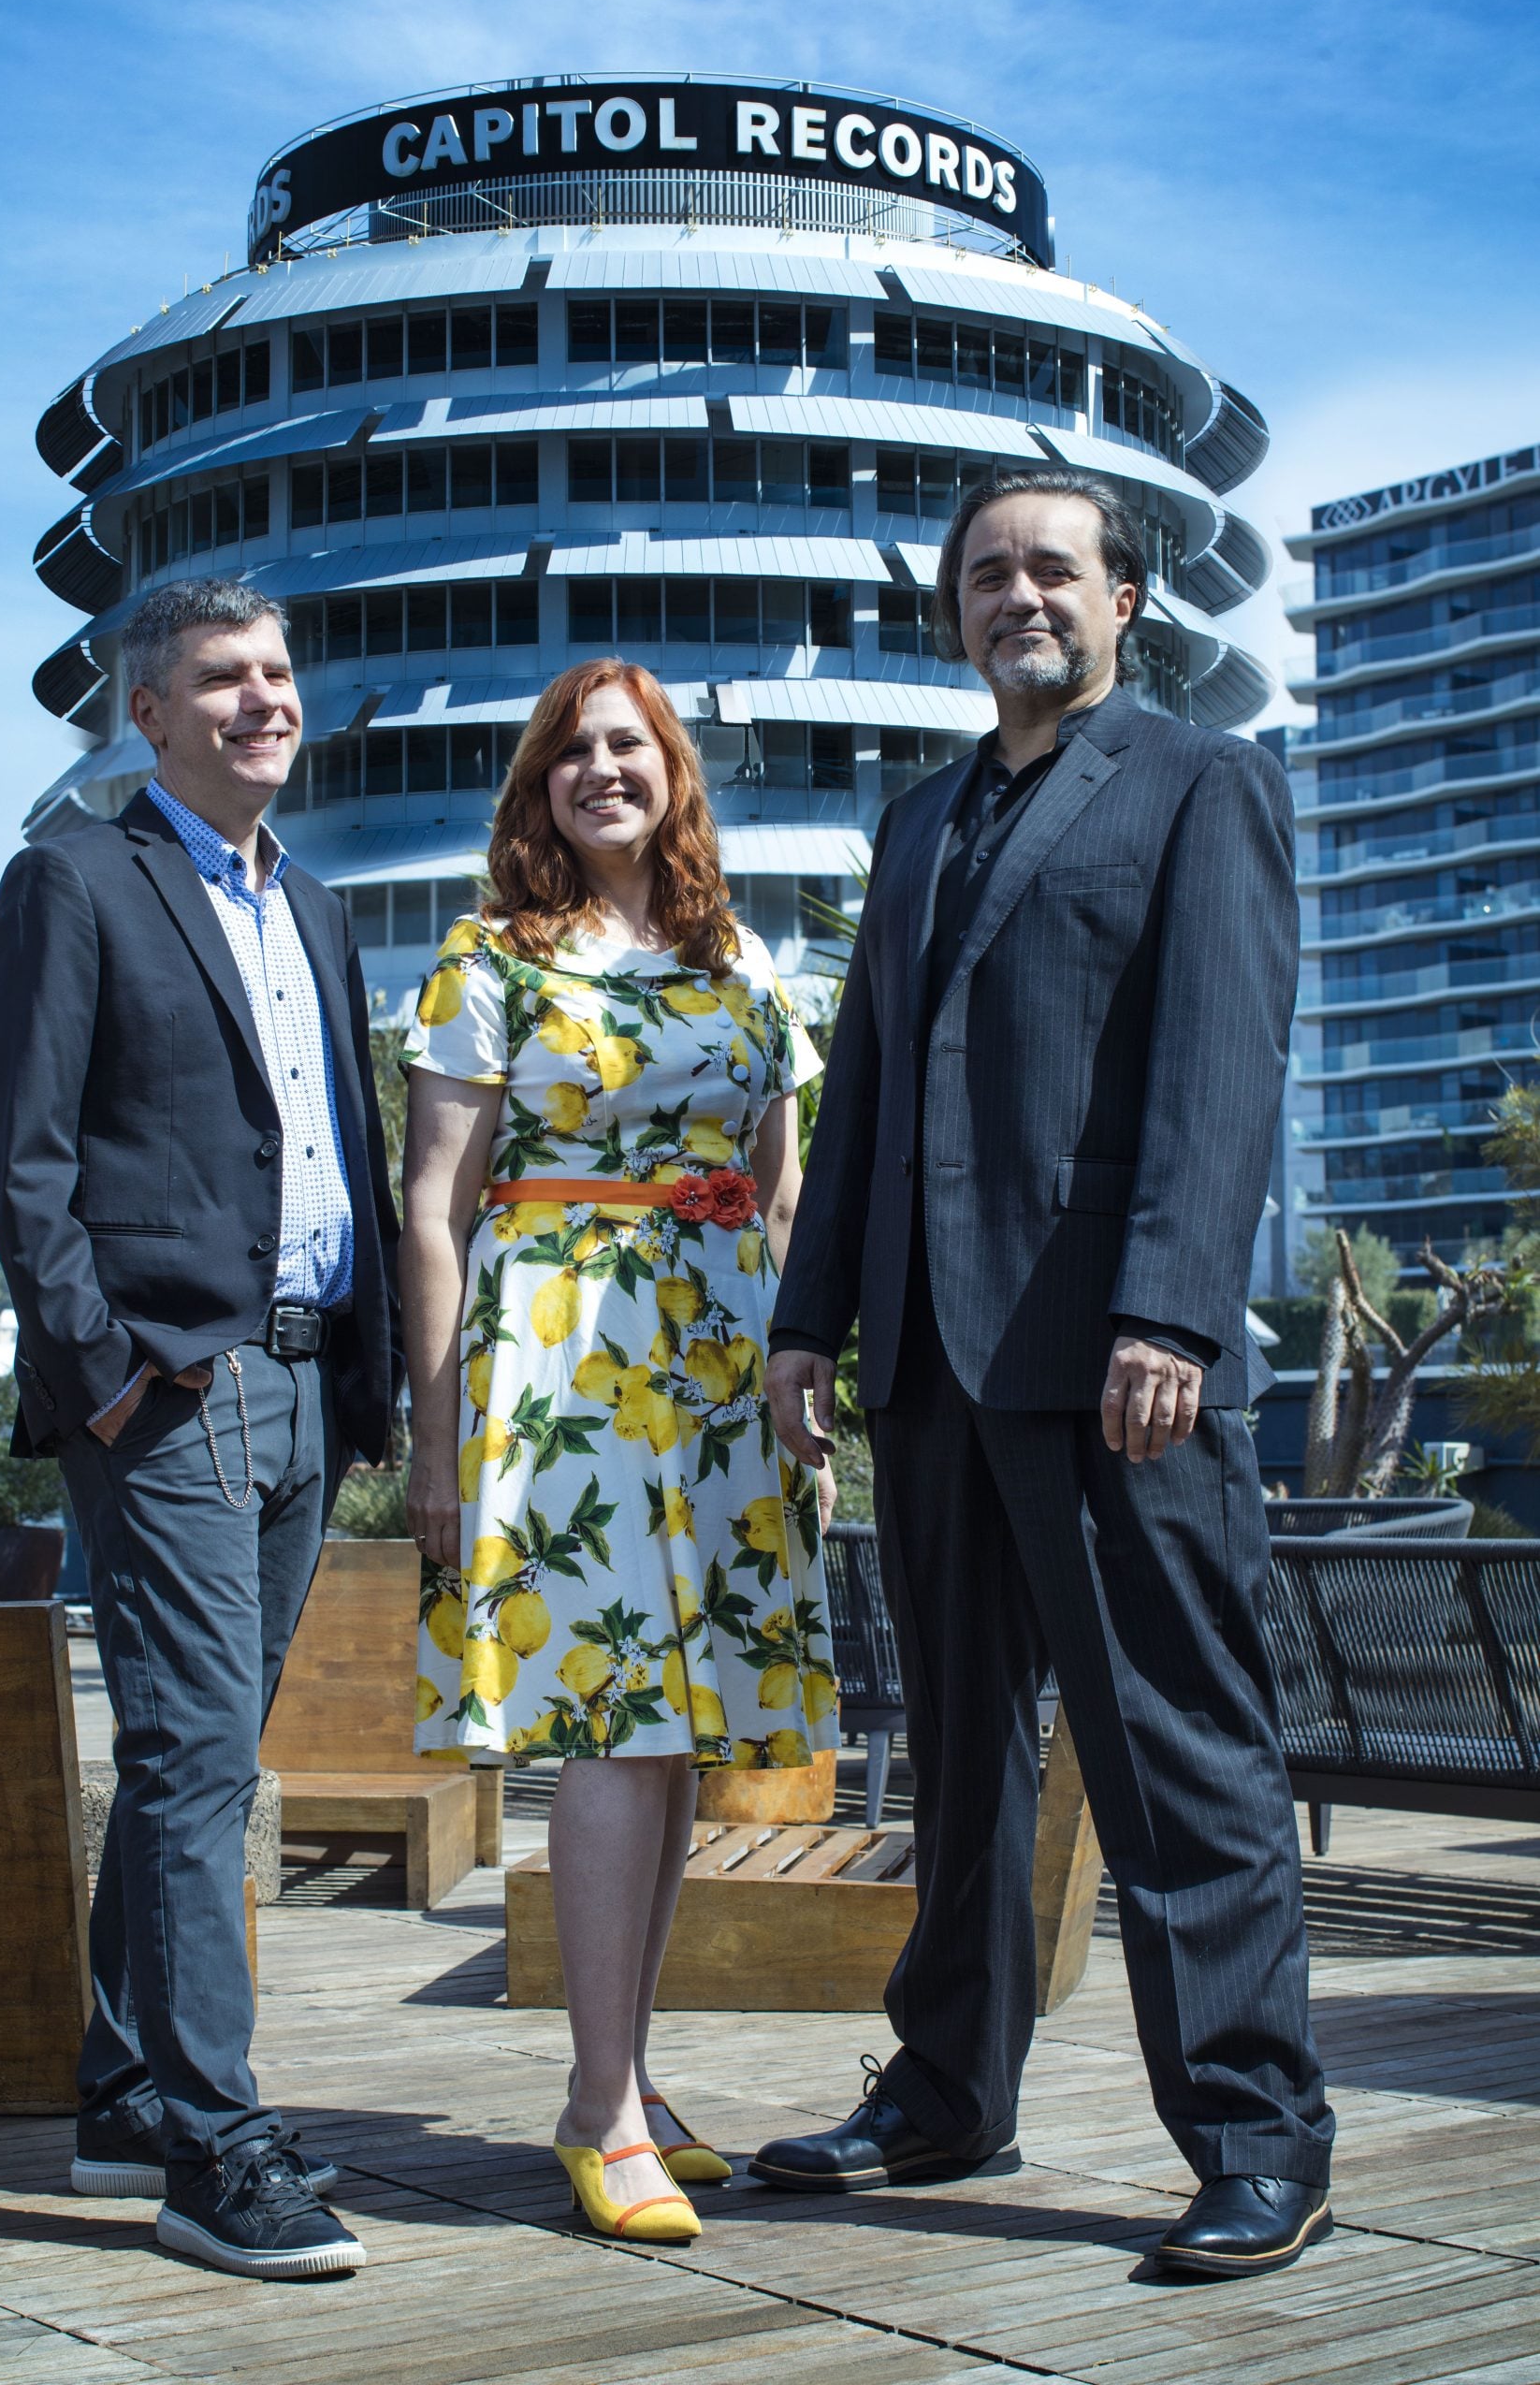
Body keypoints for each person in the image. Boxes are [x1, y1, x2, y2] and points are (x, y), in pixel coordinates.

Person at [759, 471, 1336, 2279]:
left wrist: (1169, 1312)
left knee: (1177, 1751)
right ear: (956, 614)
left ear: (1124, 602)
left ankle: (1257, 2137)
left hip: (1113, 1366)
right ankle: (946, 2093)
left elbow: (1217, 1063)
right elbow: (862, 1090)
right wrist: (806, 1320)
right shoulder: (914, 823)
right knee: (955, 1761)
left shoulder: (1197, 783)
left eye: (1052, 569)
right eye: (987, 574)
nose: (1020, 596)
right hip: (930, 1361)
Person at [0, 578, 400, 2281]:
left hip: (306, 1385)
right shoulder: (74, 878)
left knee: (196, 1748)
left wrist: (359, 1382)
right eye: (222, 679)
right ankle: (217, 2155)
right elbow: (29, 1170)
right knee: (196, 1761)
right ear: (143, 713)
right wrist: (111, 1374)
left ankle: (128, 2092)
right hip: (172, 1389)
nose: (261, 702)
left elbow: (341, 1157)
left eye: (278, 674)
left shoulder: (314, 906)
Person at [401, 657, 835, 2243]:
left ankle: (631, 2081)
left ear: (673, 776)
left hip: (721, 1371)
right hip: (559, 1365)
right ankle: (596, 2110)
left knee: (681, 1735)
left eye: (630, 748)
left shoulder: (740, 964)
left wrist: (803, 1390)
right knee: (614, 1720)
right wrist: (437, 1434)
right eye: (573, 751)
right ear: (538, 783)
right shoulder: (487, 961)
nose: (601, 771)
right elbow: (435, 1212)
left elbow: (785, 1195)